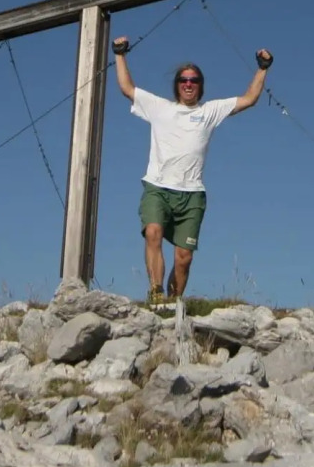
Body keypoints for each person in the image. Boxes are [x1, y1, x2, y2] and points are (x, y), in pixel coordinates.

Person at [112, 35, 272, 304]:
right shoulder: (160, 107)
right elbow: (127, 88)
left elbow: (250, 99)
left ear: (200, 86)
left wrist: (263, 68)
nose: (188, 84)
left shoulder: (210, 111)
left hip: (192, 194)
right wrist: (119, 53)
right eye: (183, 80)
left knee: (183, 258)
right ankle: (156, 293)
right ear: (176, 85)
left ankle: (172, 306)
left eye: (193, 80)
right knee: (153, 232)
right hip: (158, 187)